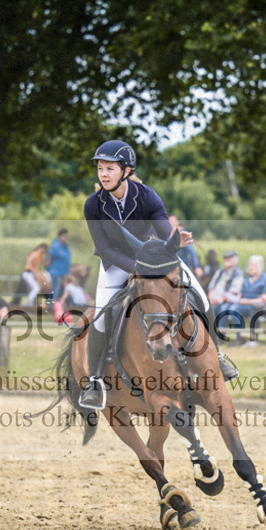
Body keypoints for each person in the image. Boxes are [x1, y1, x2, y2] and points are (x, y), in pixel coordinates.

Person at [78, 140, 238, 410]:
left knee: (200, 293)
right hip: (115, 264)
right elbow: (104, 248)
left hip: (154, 260)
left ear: (126, 171)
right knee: (102, 317)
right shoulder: (93, 205)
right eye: (100, 169)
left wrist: (176, 241)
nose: (103, 174)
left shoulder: (148, 196)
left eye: (109, 169)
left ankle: (218, 354)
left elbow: (164, 234)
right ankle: (95, 379)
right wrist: (138, 269)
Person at [219, 254, 266, 347]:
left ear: (259, 266)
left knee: (234, 309)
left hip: (255, 306)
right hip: (243, 304)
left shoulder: (265, 279)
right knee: (224, 307)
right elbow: (241, 293)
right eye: (249, 265)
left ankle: (240, 338)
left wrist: (247, 301)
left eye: (253, 265)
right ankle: (221, 336)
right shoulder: (247, 279)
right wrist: (235, 298)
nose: (250, 267)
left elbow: (264, 299)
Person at [206, 249, 244, 321]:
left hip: (225, 300)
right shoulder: (219, 272)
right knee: (206, 308)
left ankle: (220, 331)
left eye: (229, 258)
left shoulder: (238, 274)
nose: (227, 260)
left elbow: (232, 292)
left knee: (222, 309)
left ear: (235, 260)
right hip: (213, 300)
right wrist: (210, 299)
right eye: (225, 258)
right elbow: (211, 287)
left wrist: (218, 300)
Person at [171, 215, 203, 279]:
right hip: (172, 269)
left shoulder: (182, 235)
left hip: (183, 269)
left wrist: (197, 267)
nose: (171, 223)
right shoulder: (170, 235)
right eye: (169, 221)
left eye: (173, 221)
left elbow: (192, 252)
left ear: (178, 222)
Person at [48, 229, 72, 301]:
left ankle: (58, 306)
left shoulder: (65, 246)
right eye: (64, 236)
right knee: (55, 290)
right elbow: (50, 257)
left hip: (63, 273)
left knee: (61, 291)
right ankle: (51, 306)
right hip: (56, 272)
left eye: (66, 236)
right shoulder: (55, 245)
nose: (65, 238)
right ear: (59, 236)